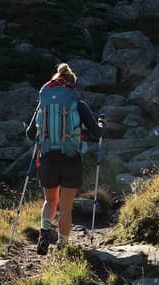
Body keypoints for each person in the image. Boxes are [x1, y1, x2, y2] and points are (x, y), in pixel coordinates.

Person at [26, 63, 105, 255]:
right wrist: (102, 122)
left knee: (50, 201)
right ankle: (63, 246)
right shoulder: (78, 105)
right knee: (66, 207)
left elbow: (30, 134)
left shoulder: (43, 105)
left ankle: (44, 234)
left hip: (48, 159)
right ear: (71, 86)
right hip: (71, 160)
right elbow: (98, 132)